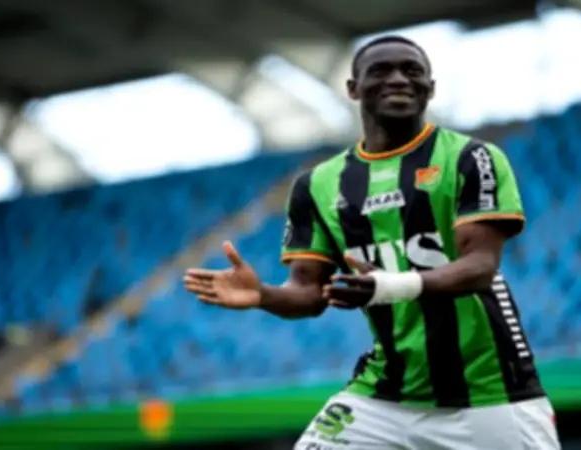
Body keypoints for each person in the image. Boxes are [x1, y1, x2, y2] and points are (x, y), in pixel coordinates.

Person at [183, 35, 561, 450]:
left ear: (431, 88)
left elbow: (480, 266)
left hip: (491, 391)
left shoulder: (472, 158)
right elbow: (309, 292)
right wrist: (263, 295)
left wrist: (388, 286)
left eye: (412, 71)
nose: (398, 79)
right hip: (386, 393)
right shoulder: (317, 185)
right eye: (381, 70)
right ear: (353, 88)